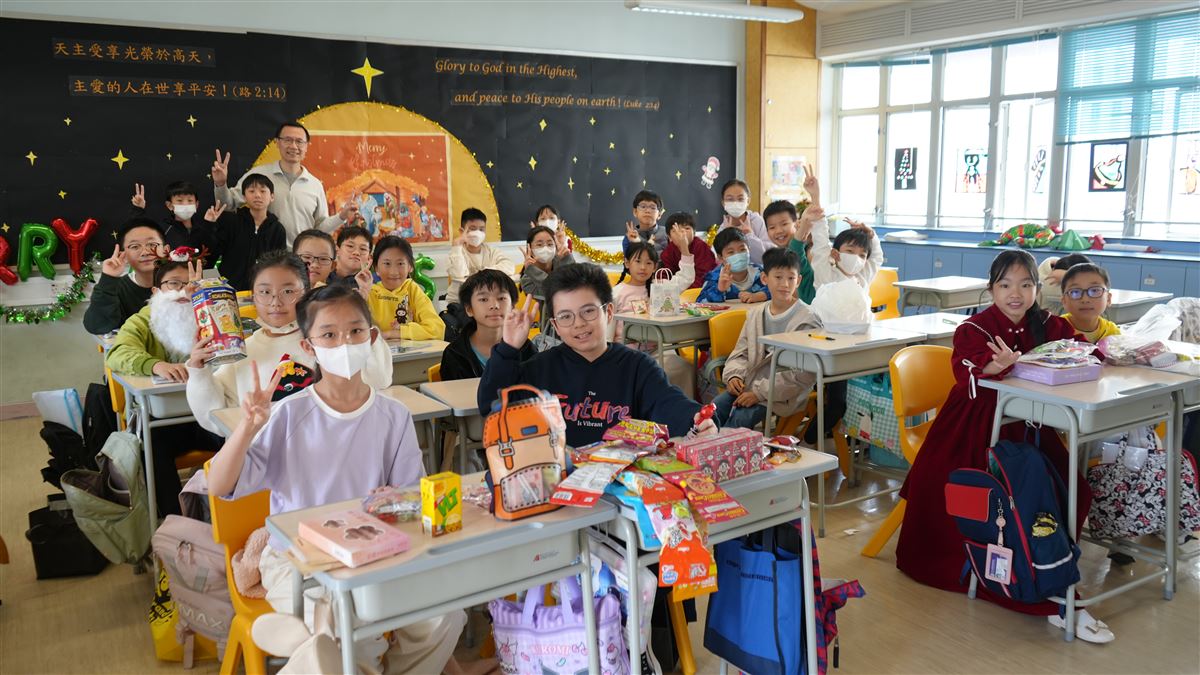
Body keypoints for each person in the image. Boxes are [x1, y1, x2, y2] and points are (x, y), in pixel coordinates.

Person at [206, 284, 467, 673]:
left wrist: (394, 504)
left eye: (355, 331)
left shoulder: (392, 415)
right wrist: (246, 428)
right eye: (328, 334)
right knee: (347, 628)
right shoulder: (289, 414)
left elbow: (411, 497)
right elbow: (220, 486)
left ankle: (312, 650)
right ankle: (319, 646)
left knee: (445, 616)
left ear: (372, 337)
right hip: (298, 559)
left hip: (374, 551)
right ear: (308, 346)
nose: (344, 343)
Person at [894, 250, 1111, 643]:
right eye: (1006, 284)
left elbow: (1081, 348)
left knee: (1072, 490)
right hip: (976, 427)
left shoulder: (1047, 323)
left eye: (1026, 284)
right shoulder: (974, 328)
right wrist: (993, 367)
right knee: (1008, 501)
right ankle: (1028, 578)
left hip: (1029, 426)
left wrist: (1092, 353)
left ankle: (1048, 564)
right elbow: (964, 371)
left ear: (1037, 289)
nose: (1016, 293)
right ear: (991, 289)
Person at [479, 263, 716, 448]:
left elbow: (668, 404)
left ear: (609, 312)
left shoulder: (637, 367)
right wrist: (508, 349)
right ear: (555, 325)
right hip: (559, 478)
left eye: (588, 311)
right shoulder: (540, 369)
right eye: (566, 316)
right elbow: (491, 405)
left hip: (624, 480)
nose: (579, 324)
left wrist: (696, 420)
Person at [186, 251, 391, 436]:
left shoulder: (327, 341)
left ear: (306, 291)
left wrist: (361, 326)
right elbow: (214, 419)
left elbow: (378, 381)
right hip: (265, 458)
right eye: (265, 292)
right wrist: (198, 371)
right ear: (253, 297)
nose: (275, 302)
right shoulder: (242, 351)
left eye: (288, 291)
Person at [105, 258, 222, 516]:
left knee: (239, 434)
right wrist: (155, 365)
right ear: (156, 291)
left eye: (191, 284)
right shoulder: (142, 321)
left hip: (207, 413)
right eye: (174, 284)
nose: (183, 291)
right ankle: (174, 519)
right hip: (164, 420)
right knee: (151, 445)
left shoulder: (211, 318)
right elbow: (117, 353)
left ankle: (226, 514)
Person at [714, 248, 820, 429]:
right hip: (749, 383)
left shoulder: (807, 320)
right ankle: (706, 445)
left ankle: (727, 447)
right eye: (778, 277)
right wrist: (734, 376)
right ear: (764, 278)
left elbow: (804, 375)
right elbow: (741, 352)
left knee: (740, 419)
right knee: (714, 410)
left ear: (798, 281)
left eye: (791, 278)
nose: (785, 284)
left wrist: (759, 393)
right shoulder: (756, 314)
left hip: (785, 392)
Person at [211, 121, 357, 244]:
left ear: (306, 146)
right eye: (287, 140)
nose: (293, 146)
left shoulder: (315, 185)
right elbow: (227, 205)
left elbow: (319, 228)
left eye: (299, 141)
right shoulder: (259, 175)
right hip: (264, 256)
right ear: (277, 142)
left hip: (300, 259)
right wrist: (220, 183)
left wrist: (342, 216)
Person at [611, 241, 696, 394]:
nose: (643, 267)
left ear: (655, 266)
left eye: (649, 263)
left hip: (658, 350)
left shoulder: (661, 287)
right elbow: (607, 331)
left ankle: (686, 408)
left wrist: (684, 248)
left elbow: (686, 277)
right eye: (638, 261)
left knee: (684, 368)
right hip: (627, 353)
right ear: (627, 263)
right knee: (647, 375)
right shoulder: (616, 293)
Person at [198, 174, 287, 291]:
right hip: (228, 291)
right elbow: (211, 254)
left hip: (261, 292)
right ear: (244, 197)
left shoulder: (277, 230)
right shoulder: (232, 222)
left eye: (263, 191)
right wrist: (209, 225)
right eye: (251, 191)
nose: (257, 195)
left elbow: (279, 265)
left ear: (272, 197)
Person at [443, 208, 517, 342]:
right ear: (462, 231)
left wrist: (482, 273)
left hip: (488, 301)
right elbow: (459, 274)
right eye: (472, 229)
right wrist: (457, 245)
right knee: (475, 328)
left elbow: (509, 267)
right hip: (461, 305)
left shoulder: (491, 252)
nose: (477, 233)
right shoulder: (457, 252)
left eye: (481, 229)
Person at [83, 218, 168, 334]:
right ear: (124, 255)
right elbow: (96, 326)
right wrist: (108, 278)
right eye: (135, 246)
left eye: (152, 244)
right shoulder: (116, 288)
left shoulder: (182, 283)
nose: (145, 252)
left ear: (166, 250)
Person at [367, 237, 445, 340]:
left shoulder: (412, 290)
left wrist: (392, 334)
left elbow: (437, 329)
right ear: (376, 267)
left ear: (410, 266)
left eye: (400, 264)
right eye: (387, 264)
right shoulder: (369, 292)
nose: (393, 272)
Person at [521, 224, 575, 348]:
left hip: (575, 321)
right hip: (552, 333)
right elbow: (556, 291)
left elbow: (575, 284)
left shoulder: (562, 260)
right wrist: (531, 270)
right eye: (539, 245)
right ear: (530, 248)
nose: (545, 248)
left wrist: (566, 259)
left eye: (550, 244)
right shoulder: (528, 280)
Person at [808, 208, 883, 289]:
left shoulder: (863, 278)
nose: (856, 258)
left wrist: (871, 234)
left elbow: (876, 257)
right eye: (850, 251)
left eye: (862, 255)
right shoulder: (826, 274)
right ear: (835, 253)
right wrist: (818, 213)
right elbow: (821, 245)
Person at [129, 181, 210, 252]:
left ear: (196, 204)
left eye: (190, 200)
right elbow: (139, 233)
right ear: (169, 205)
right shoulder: (163, 229)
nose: (185, 204)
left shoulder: (203, 228)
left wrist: (210, 224)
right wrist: (138, 209)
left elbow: (212, 253)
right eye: (180, 201)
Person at [698, 228, 769, 303]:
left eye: (742, 249)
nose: (738, 255)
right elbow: (701, 302)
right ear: (720, 257)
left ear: (749, 249)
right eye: (731, 252)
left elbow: (776, 288)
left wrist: (760, 295)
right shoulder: (714, 278)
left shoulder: (759, 272)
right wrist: (719, 290)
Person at [1060, 263, 1119, 343]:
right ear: (1064, 301)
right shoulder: (1056, 329)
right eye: (1075, 292)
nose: (1085, 299)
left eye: (1094, 290)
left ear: (1108, 299)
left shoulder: (1112, 332)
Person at [716, 179, 771, 264]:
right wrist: (728, 235)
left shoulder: (756, 221)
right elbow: (721, 260)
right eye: (730, 199)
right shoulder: (722, 230)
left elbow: (766, 256)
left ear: (748, 201)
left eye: (740, 199)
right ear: (723, 203)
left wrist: (749, 235)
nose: (735, 203)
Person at [658, 212, 717, 289]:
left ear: (694, 232)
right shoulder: (668, 252)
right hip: (676, 290)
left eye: (687, 228)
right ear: (669, 237)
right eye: (676, 230)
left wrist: (683, 290)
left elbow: (704, 276)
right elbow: (664, 275)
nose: (682, 233)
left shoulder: (701, 247)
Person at [326, 226, 375, 297]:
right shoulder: (322, 274)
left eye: (363, 249)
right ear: (337, 250)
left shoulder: (368, 286)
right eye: (350, 246)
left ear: (369, 258)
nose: (356, 253)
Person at [621, 190, 667, 255]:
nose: (647, 211)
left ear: (659, 214)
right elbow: (628, 261)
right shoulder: (630, 236)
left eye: (652, 207)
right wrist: (637, 243)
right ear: (635, 212)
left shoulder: (667, 234)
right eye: (643, 206)